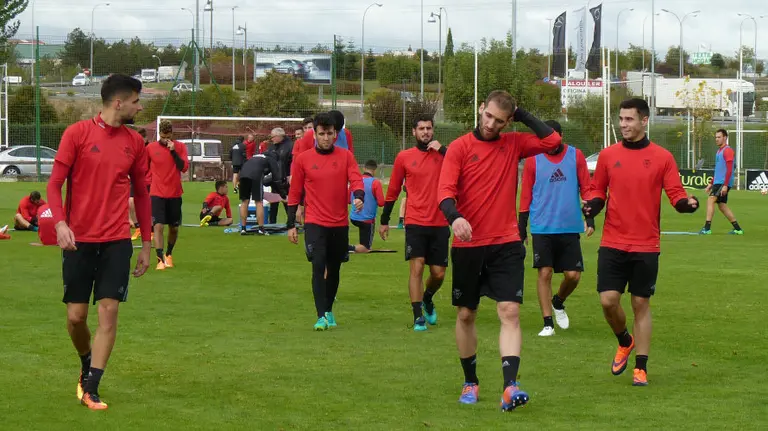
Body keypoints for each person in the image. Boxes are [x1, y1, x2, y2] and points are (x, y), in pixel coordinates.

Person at [437, 90, 561, 410]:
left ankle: (510, 387)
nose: (491, 124)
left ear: (508, 121)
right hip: (468, 245)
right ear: (481, 108)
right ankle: (470, 381)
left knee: (510, 311)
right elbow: (445, 193)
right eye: (488, 115)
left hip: (506, 243)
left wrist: (522, 115)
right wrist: (456, 217)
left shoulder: (514, 143)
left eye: (500, 120)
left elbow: (552, 142)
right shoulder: (461, 148)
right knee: (466, 314)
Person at [46, 73, 153, 410]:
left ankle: (92, 386)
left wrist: (146, 245)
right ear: (118, 102)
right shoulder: (76, 134)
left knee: (108, 313)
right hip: (79, 241)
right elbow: (54, 185)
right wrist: (61, 224)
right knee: (76, 317)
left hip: (117, 241)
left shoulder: (135, 142)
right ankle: (85, 360)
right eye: (136, 100)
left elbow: (143, 195)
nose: (140, 106)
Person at [582, 98, 699, 387]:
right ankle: (625, 340)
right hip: (613, 241)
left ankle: (641, 368)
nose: (623, 124)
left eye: (629, 119)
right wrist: (593, 207)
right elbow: (598, 191)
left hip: (646, 244)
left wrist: (688, 204)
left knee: (640, 303)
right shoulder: (609, 156)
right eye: (621, 119)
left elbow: (676, 195)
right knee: (608, 301)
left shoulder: (662, 157)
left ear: (644, 121)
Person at [285, 112, 364, 331]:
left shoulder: (346, 156)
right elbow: (295, 192)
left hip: (339, 223)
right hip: (315, 222)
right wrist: (291, 223)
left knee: (335, 268)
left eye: (330, 133)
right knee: (318, 265)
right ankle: (320, 316)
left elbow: (356, 179)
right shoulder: (303, 159)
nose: (326, 138)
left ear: (335, 133)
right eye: (322, 134)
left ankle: (329, 310)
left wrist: (359, 195)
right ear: (315, 135)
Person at [517, 120, 594, 337]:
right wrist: (522, 229)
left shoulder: (576, 155)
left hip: (569, 226)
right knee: (545, 272)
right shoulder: (533, 160)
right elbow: (526, 196)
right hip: (542, 226)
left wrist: (590, 218)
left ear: (560, 136)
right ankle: (548, 323)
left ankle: (558, 301)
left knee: (573, 275)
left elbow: (586, 188)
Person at [380, 114, 450, 332]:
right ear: (414, 132)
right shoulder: (404, 157)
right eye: (421, 129)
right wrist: (384, 221)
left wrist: (444, 150)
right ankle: (418, 315)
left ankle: (428, 298)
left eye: (429, 128)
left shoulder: (444, 155)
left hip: (440, 221)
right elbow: (392, 190)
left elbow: (466, 167)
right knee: (417, 267)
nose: (426, 132)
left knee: (438, 273)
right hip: (415, 221)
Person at [147, 120, 189, 270]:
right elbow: (144, 168)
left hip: (175, 193)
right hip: (157, 193)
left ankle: (168, 255)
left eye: (168, 137)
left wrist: (173, 151)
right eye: (163, 137)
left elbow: (183, 168)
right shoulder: (150, 148)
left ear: (172, 134)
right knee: (157, 226)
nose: (165, 140)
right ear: (159, 134)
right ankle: (159, 260)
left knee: (174, 228)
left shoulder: (180, 147)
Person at [699, 129, 743, 235]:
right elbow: (718, 170)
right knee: (722, 205)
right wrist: (711, 183)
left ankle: (707, 228)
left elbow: (729, 169)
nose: (717, 139)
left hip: (723, 183)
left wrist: (725, 185)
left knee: (710, 200)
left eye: (719, 137)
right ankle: (738, 229)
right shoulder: (719, 151)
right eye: (716, 137)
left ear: (725, 138)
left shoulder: (727, 150)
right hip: (719, 182)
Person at [238, 149, 285, 235]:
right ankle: (261, 229)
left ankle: (243, 229)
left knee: (244, 201)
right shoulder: (271, 159)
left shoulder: (254, 157)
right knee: (258, 202)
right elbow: (276, 178)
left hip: (243, 175)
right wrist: (282, 193)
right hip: (256, 176)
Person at [349, 159, 385, 254]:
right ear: (375, 170)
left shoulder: (356, 181)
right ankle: (346, 247)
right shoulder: (375, 183)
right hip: (367, 220)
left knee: (363, 240)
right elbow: (381, 202)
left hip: (354, 217)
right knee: (366, 248)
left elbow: (349, 200)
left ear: (364, 168)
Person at [266, 127, 294, 224]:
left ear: (279, 136)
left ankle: (291, 223)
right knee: (273, 201)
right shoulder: (272, 147)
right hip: (274, 179)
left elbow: (293, 162)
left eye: (273, 137)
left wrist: (290, 175)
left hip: (286, 179)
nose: (271, 139)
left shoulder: (290, 146)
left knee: (286, 200)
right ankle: (272, 223)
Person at [129, 128, 151, 241]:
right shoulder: (134, 149)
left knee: (147, 205)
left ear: (146, 139)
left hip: (148, 180)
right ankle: (138, 228)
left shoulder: (150, 149)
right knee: (130, 202)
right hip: (135, 179)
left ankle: (149, 230)